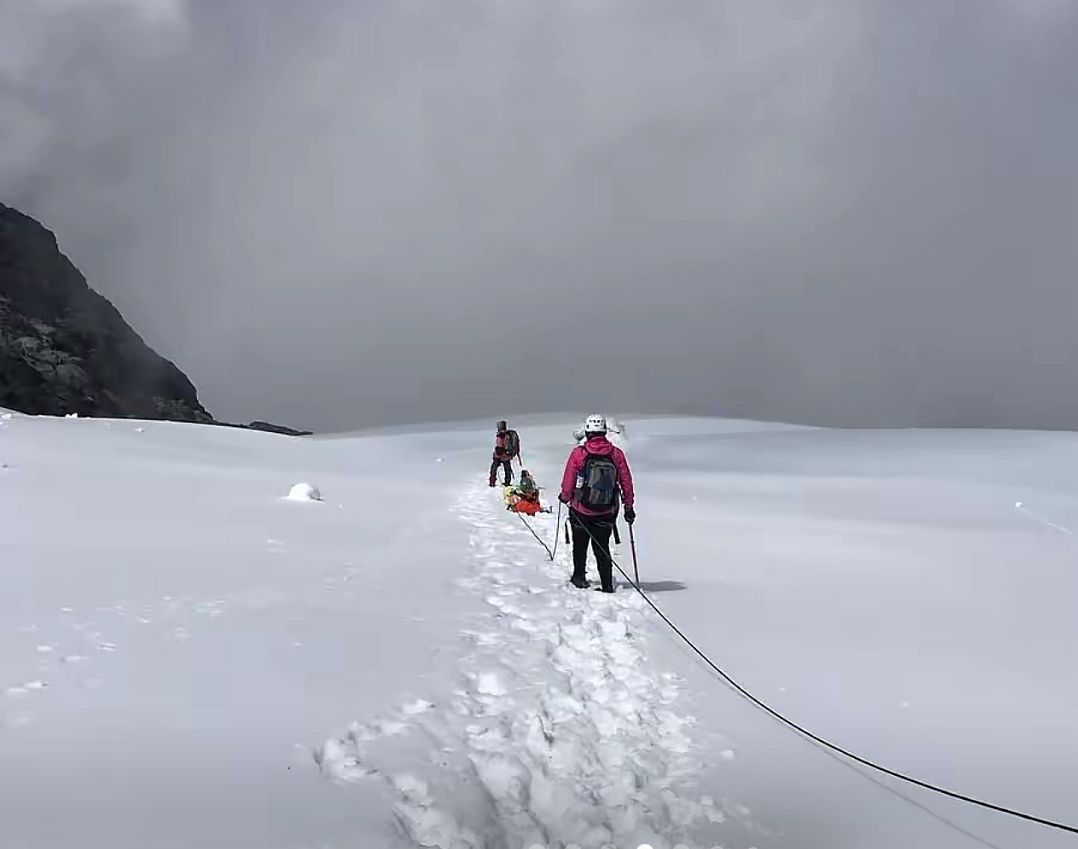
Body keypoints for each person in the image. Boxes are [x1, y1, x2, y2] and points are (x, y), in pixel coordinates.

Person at [559, 414, 635, 592]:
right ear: (603, 432)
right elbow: (626, 482)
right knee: (602, 548)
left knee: (580, 546)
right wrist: (628, 507)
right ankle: (607, 584)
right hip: (607, 510)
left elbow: (568, 480)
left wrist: (565, 496)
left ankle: (579, 577)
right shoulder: (616, 454)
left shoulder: (579, 453)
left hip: (580, 509)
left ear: (587, 431)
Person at [489, 420, 520, 487]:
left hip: (501, 455)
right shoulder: (507, 434)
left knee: (494, 468)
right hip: (506, 455)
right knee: (507, 469)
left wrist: (498, 450)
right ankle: (507, 483)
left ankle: (492, 482)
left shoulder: (502, 435)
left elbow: (501, 445)